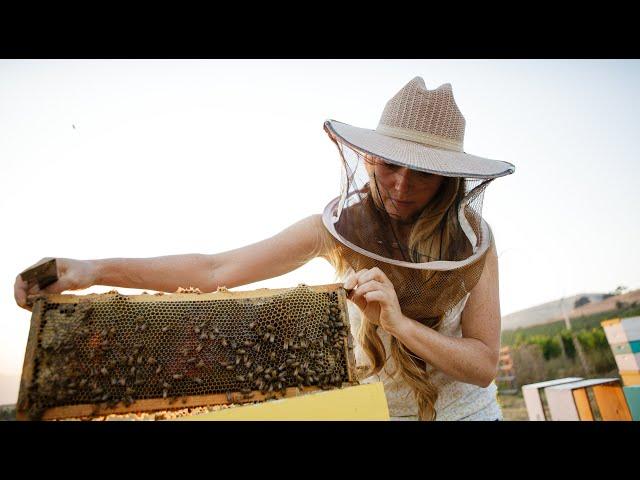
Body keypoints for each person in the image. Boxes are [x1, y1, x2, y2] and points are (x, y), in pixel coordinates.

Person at [14, 77, 515, 420]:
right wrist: (92, 269)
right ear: (368, 160)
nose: (402, 186)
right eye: (390, 166)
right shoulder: (338, 229)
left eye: (423, 173)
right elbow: (216, 268)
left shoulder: (474, 245)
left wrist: (399, 323)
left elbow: (482, 361)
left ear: (449, 180)